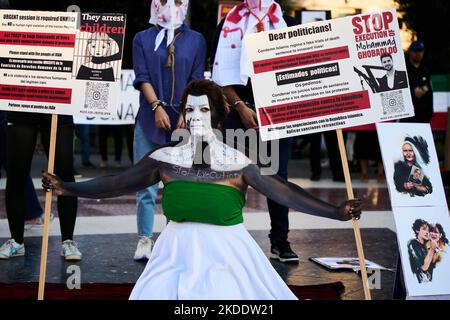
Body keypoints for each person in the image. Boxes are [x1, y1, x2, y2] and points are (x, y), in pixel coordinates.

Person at [42, 79, 362, 300]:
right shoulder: (164, 158)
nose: (195, 117)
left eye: (204, 110)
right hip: (173, 252)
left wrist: (336, 212)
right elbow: (116, 183)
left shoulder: (239, 162)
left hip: (230, 254)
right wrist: (66, 189)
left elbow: (284, 193)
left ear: (219, 117)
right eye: (190, 109)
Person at [211, 0, 301, 263]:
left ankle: (280, 240)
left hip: (277, 116)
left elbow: (301, 73)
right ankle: (225, 237)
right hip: (239, 113)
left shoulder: (290, 24)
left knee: (277, 179)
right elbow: (219, 75)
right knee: (231, 177)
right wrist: (240, 107)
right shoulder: (227, 24)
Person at [131, 0, 206, 260]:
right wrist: (156, 107)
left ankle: (174, 239)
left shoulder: (196, 40)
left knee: (180, 182)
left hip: (183, 121)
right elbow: (142, 77)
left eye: (176, 1)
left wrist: (186, 112)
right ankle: (144, 239)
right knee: (146, 183)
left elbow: (197, 80)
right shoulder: (142, 38)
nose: (170, 5)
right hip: (149, 118)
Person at [0, 111, 80, 261]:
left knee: (64, 175)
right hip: (23, 104)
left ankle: (68, 241)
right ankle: (16, 241)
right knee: (16, 174)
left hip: (58, 104)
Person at [400, 41, 434, 123]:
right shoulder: (403, 69)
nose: (418, 53)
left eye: (421, 51)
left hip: (424, 116)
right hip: (408, 117)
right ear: (410, 52)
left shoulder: (425, 70)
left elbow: (429, 92)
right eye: (416, 51)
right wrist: (413, 91)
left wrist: (430, 113)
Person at [408, 219, 436, 283]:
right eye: (424, 229)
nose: (427, 232)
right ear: (417, 230)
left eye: (428, 230)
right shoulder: (413, 243)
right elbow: (424, 267)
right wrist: (432, 249)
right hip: (420, 281)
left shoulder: (427, 244)